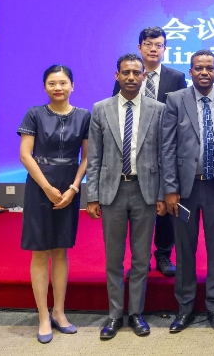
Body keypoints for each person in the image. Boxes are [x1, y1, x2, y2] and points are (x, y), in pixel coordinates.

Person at [161, 50, 214, 333]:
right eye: (198, 68)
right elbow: (167, 146)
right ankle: (184, 308)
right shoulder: (175, 100)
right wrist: (170, 188)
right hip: (185, 191)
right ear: (191, 71)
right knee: (185, 248)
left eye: (209, 68)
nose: (204, 73)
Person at [86, 53, 165, 340]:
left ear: (144, 76)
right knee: (114, 259)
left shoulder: (158, 109)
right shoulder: (100, 109)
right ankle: (115, 315)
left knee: (141, 259)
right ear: (117, 75)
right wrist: (92, 195)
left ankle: (136, 313)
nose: (131, 77)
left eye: (136, 72)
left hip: (146, 192)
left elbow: (163, 154)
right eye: (126, 72)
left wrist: (162, 194)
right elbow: (94, 156)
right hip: (112, 191)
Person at [18, 65, 90, 344]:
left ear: (72, 85)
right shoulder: (34, 114)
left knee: (60, 251)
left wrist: (74, 188)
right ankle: (43, 317)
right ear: (45, 87)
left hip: (69, 187)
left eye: (62, 82)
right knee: (40, 252)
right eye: (51, 83)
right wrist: (47, 188)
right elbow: (25, 155)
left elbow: (87, 157)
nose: (57, 87)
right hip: (40, 187)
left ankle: (59, 312)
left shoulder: (84, 116)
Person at [113, 27, 186, 278]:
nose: (153, 49)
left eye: (159, 45)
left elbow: (182, 114)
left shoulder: (176, 77)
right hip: (134, 152)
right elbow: (116, 112)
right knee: (138, 208)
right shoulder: (128, 75)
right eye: (148, 44)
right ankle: (137, 258)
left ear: (165, 49)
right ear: (139, 47)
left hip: (166, 150)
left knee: (167, 203)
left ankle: (163, 254)